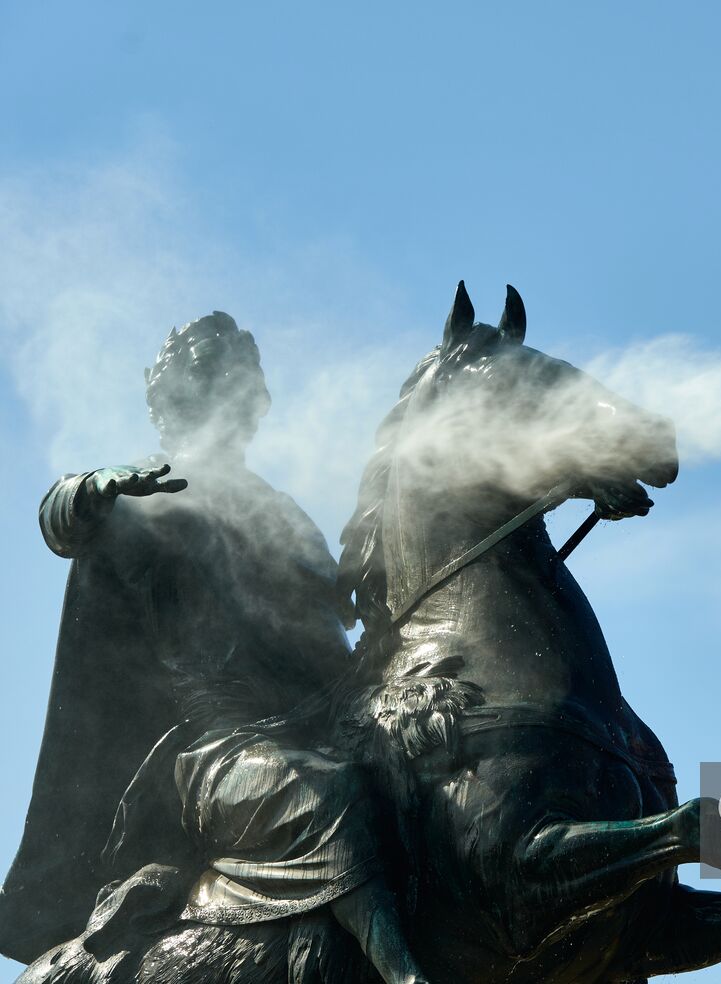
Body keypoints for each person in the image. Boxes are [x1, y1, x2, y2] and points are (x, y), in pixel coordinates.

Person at [0, 314, 429, 984]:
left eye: (244, 382)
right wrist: (91, 490)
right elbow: (62, 516)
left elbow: (339, 613)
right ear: (178, 397)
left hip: (318, 719)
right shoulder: (144, 486)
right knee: (322, 795)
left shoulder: (281, 511)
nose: (238, 396)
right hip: (216, 747)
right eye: (216, 378)